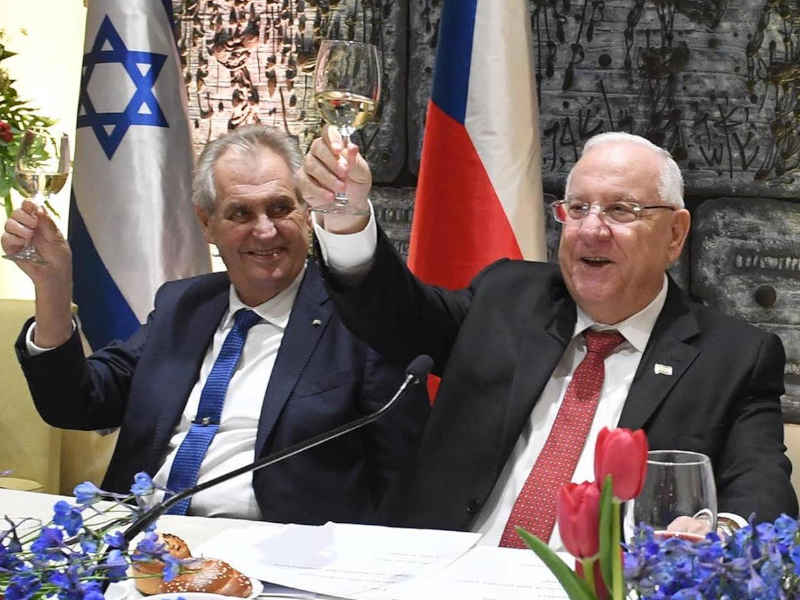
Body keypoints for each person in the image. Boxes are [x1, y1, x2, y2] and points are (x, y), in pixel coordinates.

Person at [299, 128, 797, 547]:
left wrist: (716, 532)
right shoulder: (509, 296)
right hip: (443, 573)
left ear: (674, 234)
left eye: (620, 210)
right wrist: (345, 217)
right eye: (577, 208)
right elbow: (394, 315)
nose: (590, 230)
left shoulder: (732, 356)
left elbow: (763, 486)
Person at [2, 125, 429, 525]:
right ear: (206, 223)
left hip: (277, 551)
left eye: (281, 208)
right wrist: (53, 285)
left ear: (306, 210)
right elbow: (76, 403)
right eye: (240, 213)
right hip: (140, 539)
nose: (265, 231)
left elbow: (405, 473)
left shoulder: (359, 315)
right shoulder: (184, 305)